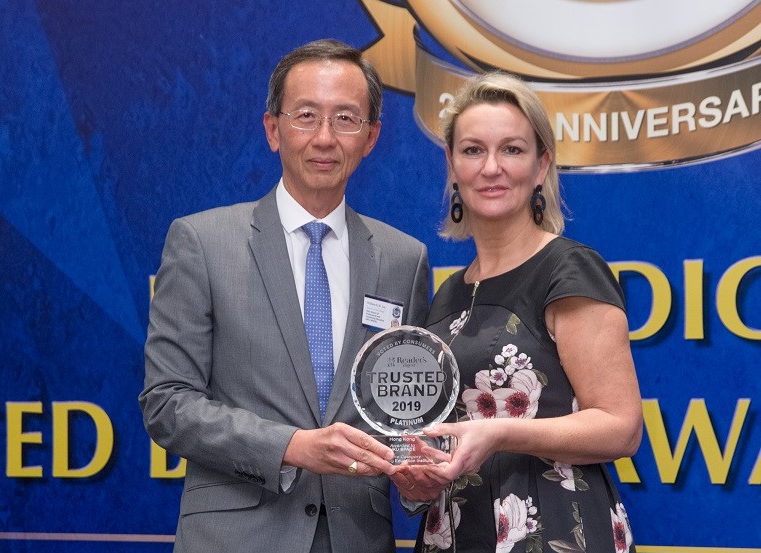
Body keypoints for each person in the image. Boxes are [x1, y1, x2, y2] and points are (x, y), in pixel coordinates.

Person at [139, 39, 429, 553]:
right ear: (273, 129)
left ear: (371, 137)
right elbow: (167, 402)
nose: (325, 138)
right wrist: (291, 447)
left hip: (357, 538)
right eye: (306, 116)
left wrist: (418, 477)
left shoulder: (403, 259)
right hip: (235, 538)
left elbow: (405, 413)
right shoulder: (202, 242)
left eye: (346, 119)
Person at [395, 72, 642, 552]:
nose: (491, 168)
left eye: (511, 149)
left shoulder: (568, 269)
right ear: (451, 164)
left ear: (541, 163)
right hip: (454, 531)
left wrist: (499, 432)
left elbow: (621, 427)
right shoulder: (448, 294)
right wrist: (418, 477)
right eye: (473, 150)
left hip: (554, 528)